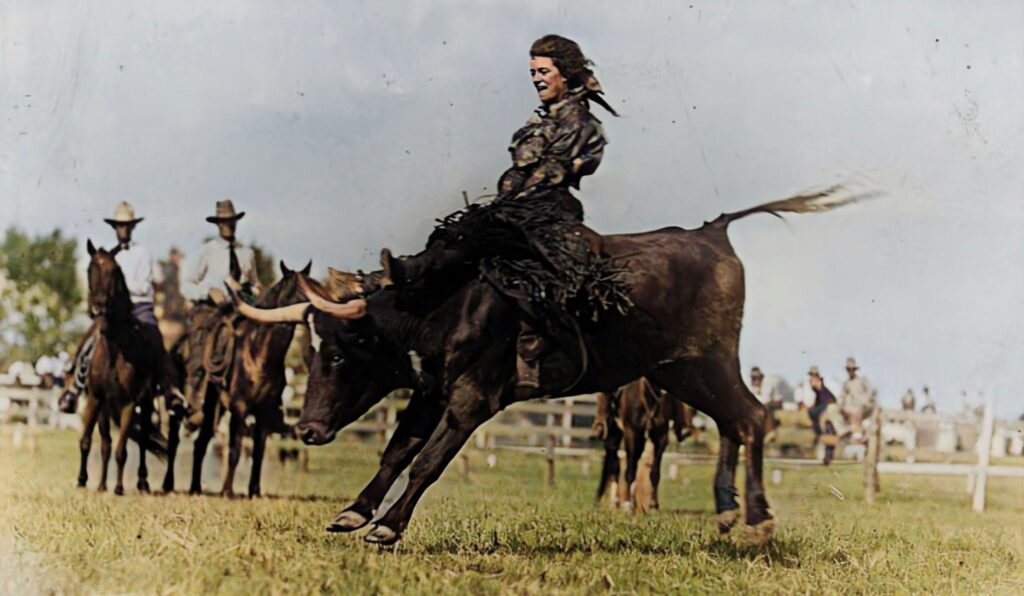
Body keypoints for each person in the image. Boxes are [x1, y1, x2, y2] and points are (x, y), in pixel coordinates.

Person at [381, 34, 628, 394]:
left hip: (547, 209)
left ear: (565, 73)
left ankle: (529, 345)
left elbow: (547, 173)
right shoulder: (543, 117)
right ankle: (410, 281)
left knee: (516, 258)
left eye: (543, 71)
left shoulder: (578, 120)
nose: (536, 79)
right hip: (521, 204)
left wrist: (510, 204)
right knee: (463, 234)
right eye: (533, 72)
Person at [58, 202, 186, 417]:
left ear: (133, 227)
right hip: (116, 311)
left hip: (139, 306)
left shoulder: (143, 252)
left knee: (155, 340)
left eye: (127, 226)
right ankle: (75, 386)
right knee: (91, 338)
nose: (123, 230)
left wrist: (125, 290)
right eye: (120, 226)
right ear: (115, 228)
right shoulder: (107, 256)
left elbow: (149, 282)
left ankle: (169, 390)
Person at [180, 200, 261, 427]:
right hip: (212, 310)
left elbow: (255, 282)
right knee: (201, 344)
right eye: (224, 222)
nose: (228, 226)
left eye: (231, 222)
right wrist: (208, 291)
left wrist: (252, 289)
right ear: (218, 225)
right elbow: (186, 284)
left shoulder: (247, 254)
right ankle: (194, 400)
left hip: (241, 309)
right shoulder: (207, 251)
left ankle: (264, 399)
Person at [839, 356, 876, 439]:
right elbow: (842, 395)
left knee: (858, 412)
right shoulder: (846, 383)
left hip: (864, 405)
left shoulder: (862, 380)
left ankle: (859, 433)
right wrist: (840, 404)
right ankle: (853, 433)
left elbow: (871, 390)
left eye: (852, 369)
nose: (851, 371)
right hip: (853, 406)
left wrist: (867, 399)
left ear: (855, 370)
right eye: (849, 369)